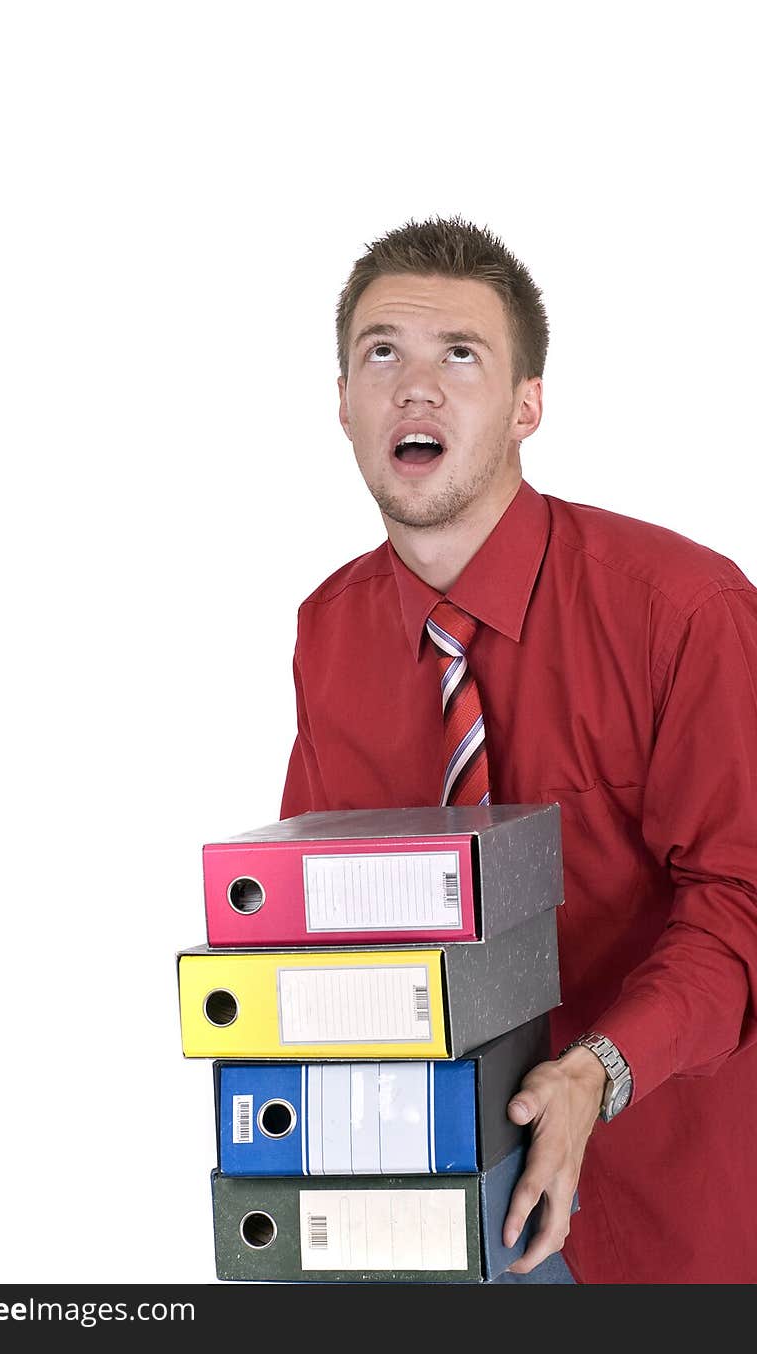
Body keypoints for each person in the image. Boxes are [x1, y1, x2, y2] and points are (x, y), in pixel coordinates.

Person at [279, 217, 757, 1285]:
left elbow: (741, 900)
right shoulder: (328, 631)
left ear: (526, 404)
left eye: (461, 355)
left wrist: (596, 1070)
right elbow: (318, 911)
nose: (415, 386)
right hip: (418, 1208)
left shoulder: (684, 609)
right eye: (381, 352)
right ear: (345, 404)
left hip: (661, 1205)